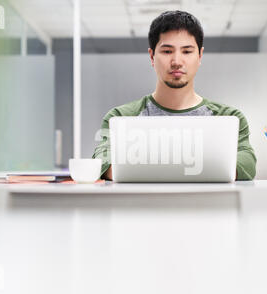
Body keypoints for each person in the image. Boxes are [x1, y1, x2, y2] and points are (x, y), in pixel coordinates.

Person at [92, 10, 256, 181]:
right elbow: (101, 161)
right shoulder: (121, 117)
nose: (177, 61)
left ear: (199, 56)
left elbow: (247, 164)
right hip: (141, 206)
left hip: (206, 207)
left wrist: (153, 165)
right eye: (167, 51)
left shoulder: (228, 118)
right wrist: (191, 165)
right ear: (152, 56)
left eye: (186, 51)